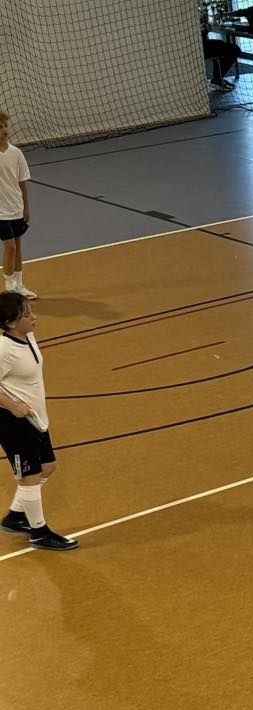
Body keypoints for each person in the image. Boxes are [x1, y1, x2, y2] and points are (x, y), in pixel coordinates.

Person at [0, 293, 76, 550]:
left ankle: (16, 516)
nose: (34, 317)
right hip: (13, 421)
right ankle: (39, 532)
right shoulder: (4, 350)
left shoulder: (28, 337)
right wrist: (13, 406)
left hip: (35, 418)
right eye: (27, 314)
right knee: (29, 477)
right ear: (10, 323)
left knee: (48, 466)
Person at [0, 112, 36, 301]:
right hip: (1, 212)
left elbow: (22, 182)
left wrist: (26, 207)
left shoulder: (16, 153)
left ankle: (19, 285)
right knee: (10, 247)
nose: (5, 130)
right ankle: (8, 287)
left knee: (18, 246)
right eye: (0, 127)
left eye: (6, 126)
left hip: (16, 207)